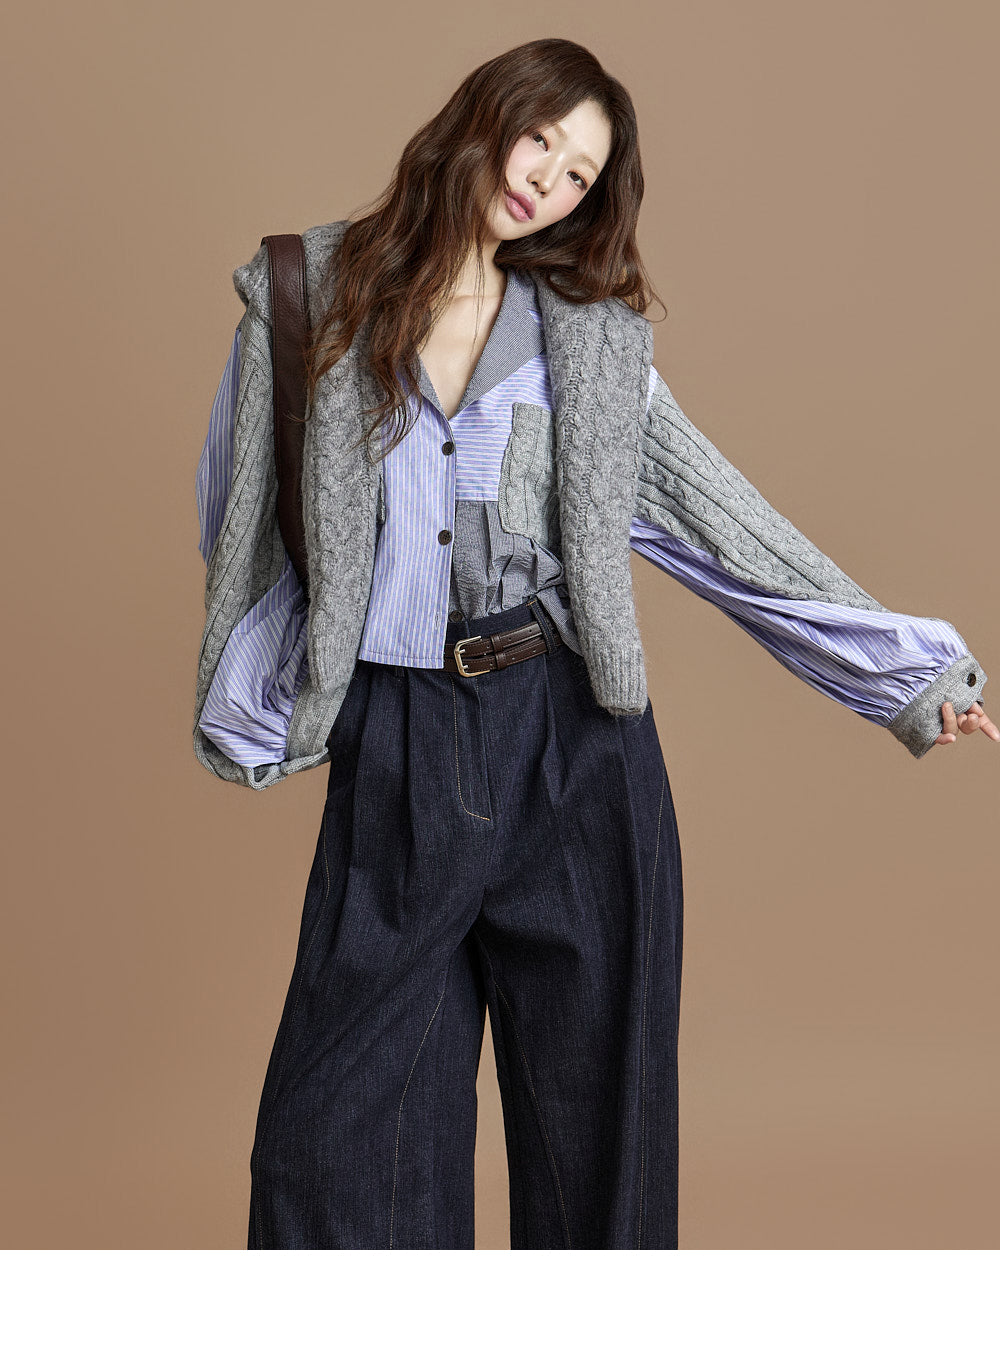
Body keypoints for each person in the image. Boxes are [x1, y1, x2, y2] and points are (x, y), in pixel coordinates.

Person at [192, 38, 995, 1250]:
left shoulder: (590, 343)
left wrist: (907, 674)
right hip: (396, 741)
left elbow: (724, 527)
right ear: (482, 118)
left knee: (597, 1149)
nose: (548, 182)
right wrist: (272, 692)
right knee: (338, 1148)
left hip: (572, 746)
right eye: (541, 142)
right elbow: (242, 514)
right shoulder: (304, 296)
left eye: (578, 174)